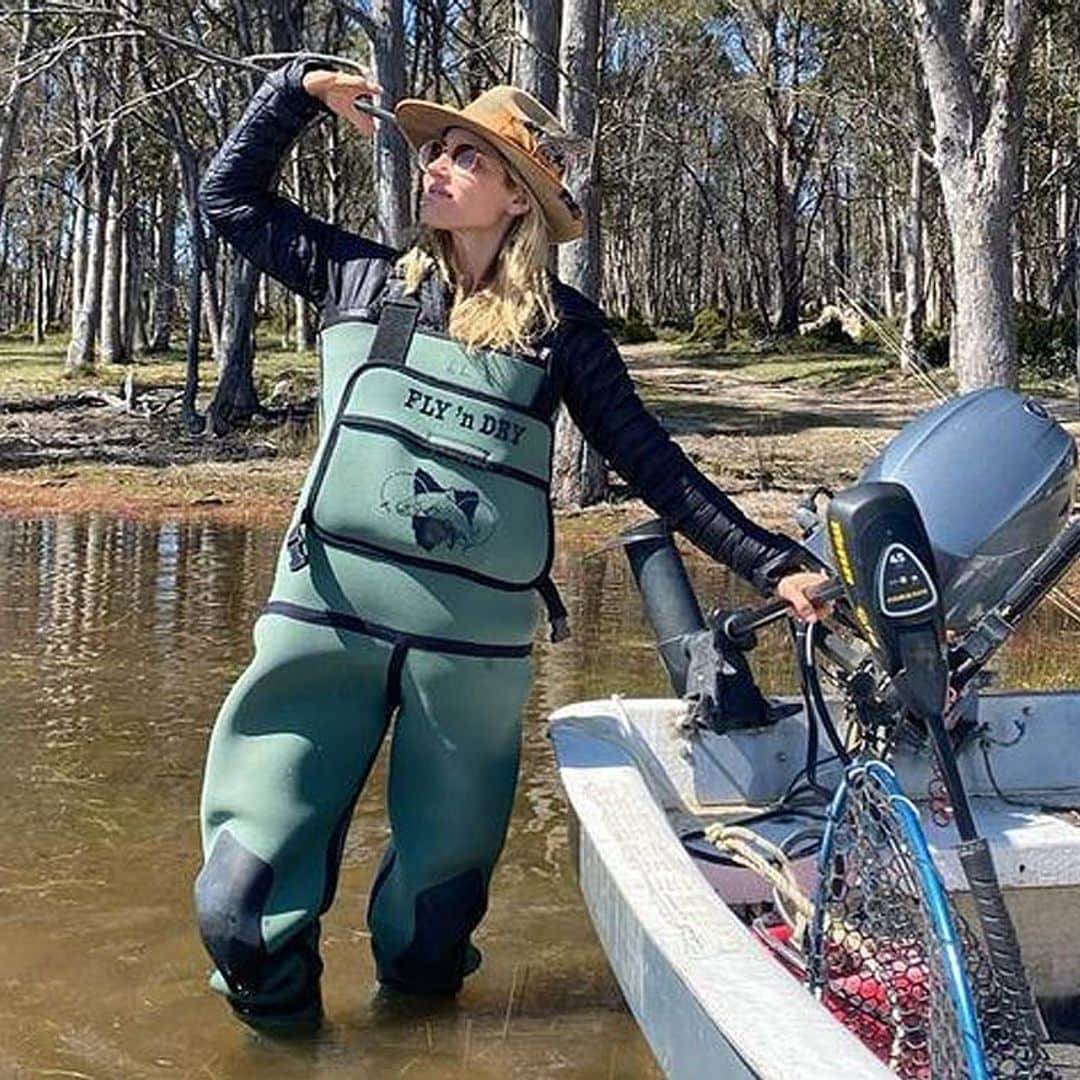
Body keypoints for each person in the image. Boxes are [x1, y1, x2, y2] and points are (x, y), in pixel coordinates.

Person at [192, 55, 828, 1033]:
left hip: (475, 661)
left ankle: (409, 1046)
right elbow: (226, 200)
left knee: (431, 938)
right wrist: (294, 94)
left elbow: (658, 468)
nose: (434, 169)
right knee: (237, 906)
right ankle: (289, 1052)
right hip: (324, 624)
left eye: (463, 157)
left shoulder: (563, 334)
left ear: (516, 196)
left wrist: (774, 562)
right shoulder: (357, 277)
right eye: (434, 152)